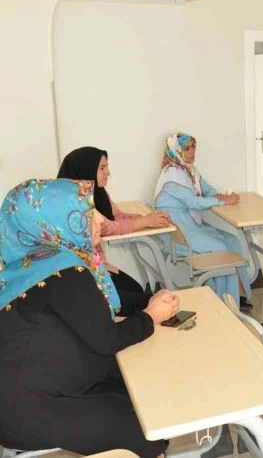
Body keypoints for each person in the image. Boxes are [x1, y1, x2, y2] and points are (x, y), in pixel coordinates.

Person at [0, 179, 179, 458]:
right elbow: (107, 340)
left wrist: (148, 304)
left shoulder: (28, 264)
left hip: (23, 399)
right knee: (146, 426)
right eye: (86, 212)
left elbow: (92, 310)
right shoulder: (65, 267)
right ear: (55, 221)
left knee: (139, 392)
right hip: (31, 410)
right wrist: (150, 316)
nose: (101, 220)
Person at [58, 146, 171, 315]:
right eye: (102, 168)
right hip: (83, 276)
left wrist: (146, 218)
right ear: (86, 170)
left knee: (136, 289)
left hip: (98, 266)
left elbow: (116, 216)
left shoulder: (97, 193)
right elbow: (109, 228)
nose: (108, 173)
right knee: (141, 301)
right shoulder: (74, 203)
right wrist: (144, 221)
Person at [153, 132, 253, 310]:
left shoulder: (189, 171)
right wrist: (222, 202)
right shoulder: (171, 176)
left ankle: (239, 295)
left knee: (233, 240)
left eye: (193, 147)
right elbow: (194, 202)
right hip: (178, 234)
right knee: (220, 248)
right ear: (176, 151)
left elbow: (206, 189)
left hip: (192, 227)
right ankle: (225, 304)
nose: (192, 152)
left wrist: (221, 196)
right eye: (186, 148)